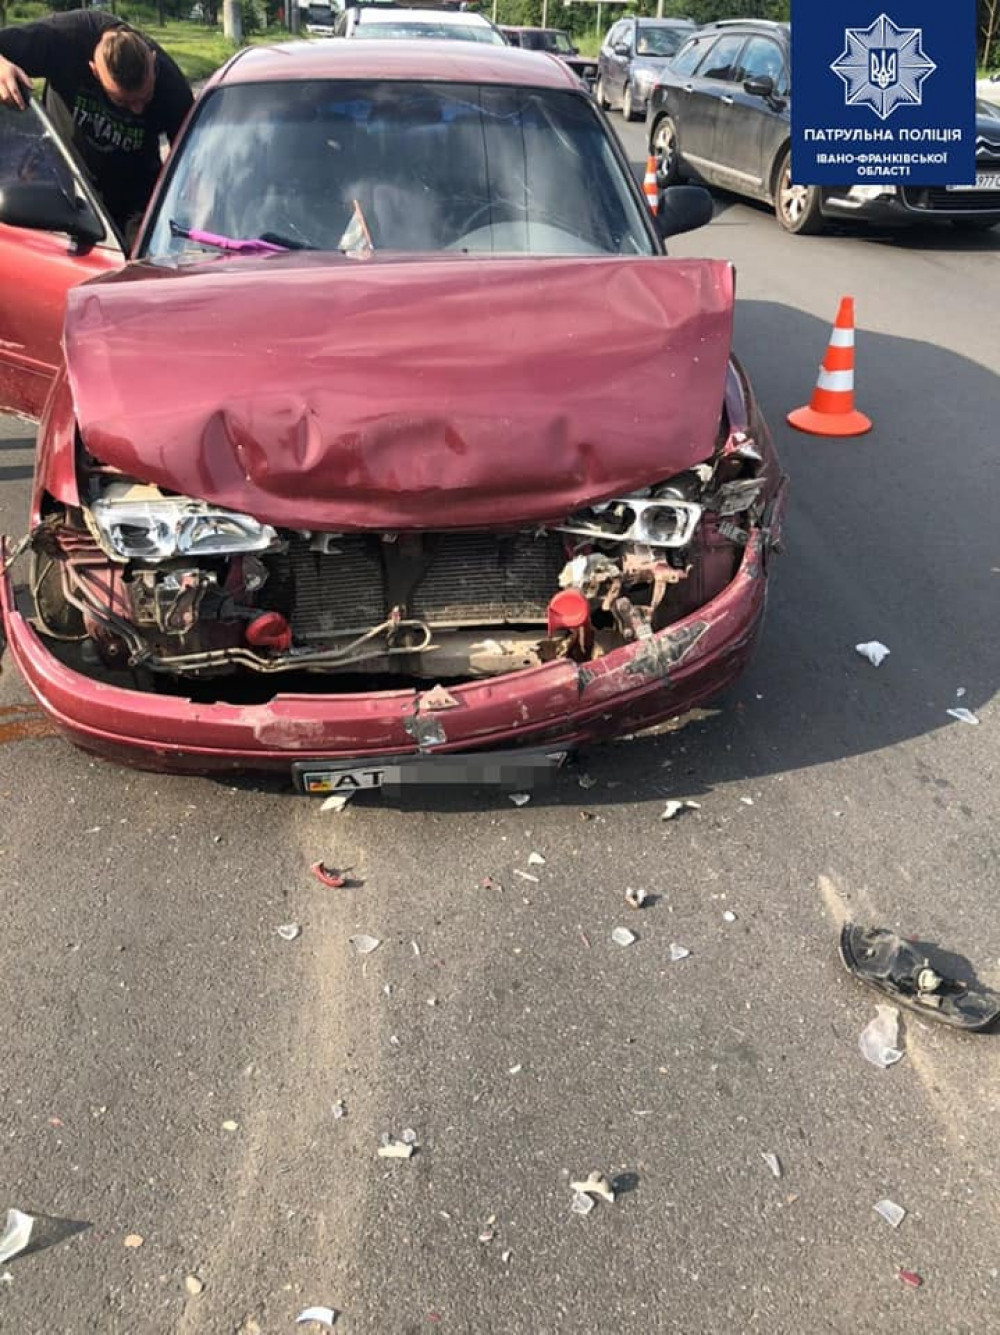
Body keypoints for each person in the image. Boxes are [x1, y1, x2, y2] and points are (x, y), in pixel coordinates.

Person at [0, 9, 193, 241]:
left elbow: (193, 161)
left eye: (146, 98)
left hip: (134, 201)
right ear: (94, 70)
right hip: (65, 184)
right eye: (123, 102)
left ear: (152, 61)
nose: (137, 109)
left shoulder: (171, 86)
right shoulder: (65, 37)